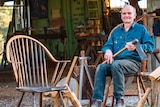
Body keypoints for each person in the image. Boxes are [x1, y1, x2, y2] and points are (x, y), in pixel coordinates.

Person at [90, 5, 154, 107]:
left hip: (134, 63)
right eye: (124, 13)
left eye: (129, 13)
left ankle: (119, 100)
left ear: (134, 16)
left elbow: (150, 47)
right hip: (116, 63)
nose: (126, 15)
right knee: (101, 67)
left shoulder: (141, 29)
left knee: (116, 65)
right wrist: (108, 51)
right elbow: (108, 45)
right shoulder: (116, 31)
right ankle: (97, 100)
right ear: (121, 16)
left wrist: (136, 47)